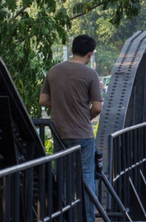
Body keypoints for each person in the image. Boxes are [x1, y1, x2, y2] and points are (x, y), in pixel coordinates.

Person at [39, 34, 102, 222]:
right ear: (90, 54)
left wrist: (61, 105)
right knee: (86, 177)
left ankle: (64, 217)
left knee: (62, 177)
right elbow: (97, 107)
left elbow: (43, 100)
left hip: (60, 133)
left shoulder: (53, 71)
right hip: (83, 134)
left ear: (73, 49)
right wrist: (84, 115)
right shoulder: (90, 74)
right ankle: (88, 218)